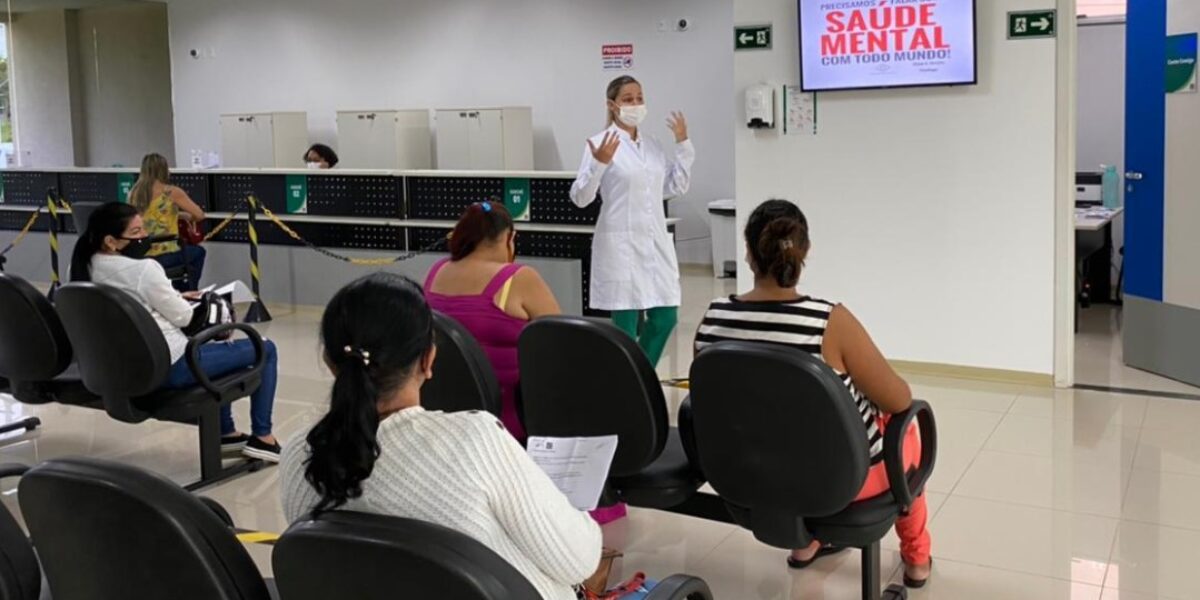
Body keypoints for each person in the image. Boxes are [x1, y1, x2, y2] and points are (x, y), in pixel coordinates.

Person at [280, 273, 602, 600]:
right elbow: (578, 560)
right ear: (428, 359)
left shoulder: (298, 454)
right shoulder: (474, 440)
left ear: (329, 362)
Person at [693, 199, 932, 588]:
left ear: (750, 253)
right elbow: (899, 400)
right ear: (804, 253)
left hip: (748, 475)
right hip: (843, 482)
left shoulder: (714, 317)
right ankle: (917, 558)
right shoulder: (828, 320)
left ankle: (808, 544)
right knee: (906, 427)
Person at [69, 202, 282, 463]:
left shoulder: (81, 268)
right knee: (265, 347)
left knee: (215, 354)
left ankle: (226, 434)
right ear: (111, 241)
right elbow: (186, 317)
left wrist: (172, 295)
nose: (144, 237)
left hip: (126, 366)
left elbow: (128, 300)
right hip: (171, 366)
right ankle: (263, 437)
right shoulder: (143, 270)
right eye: (136, 232)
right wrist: (198, 301)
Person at [568, 75, 695, 368]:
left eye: (639, 97)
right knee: (624, 327)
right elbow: (580, 197)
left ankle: (641, 372)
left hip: (654, 243)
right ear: (612, 105)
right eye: (628, 99)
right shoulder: (598, 144)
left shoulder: (652, 145)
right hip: (620, 245)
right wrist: (599, 163)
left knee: (666, 315)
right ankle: (627, 382)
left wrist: (683, 145)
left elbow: (673, 187)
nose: (636, 104)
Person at [424, 200, 560, 442]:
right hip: (506, 423)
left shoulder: (437, 272)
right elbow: (560, 342)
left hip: (445, 421)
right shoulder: (518, 278)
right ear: (510, 237)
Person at [127, 153, 207, 292]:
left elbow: (147, 215)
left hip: (141, 254)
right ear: (164, 170)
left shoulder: (134, 193)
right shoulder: (170, 192)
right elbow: (199, 215)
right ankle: (188, 291)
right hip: (165, 254)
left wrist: (178, 215)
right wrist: (188, 216)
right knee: (198, 252)